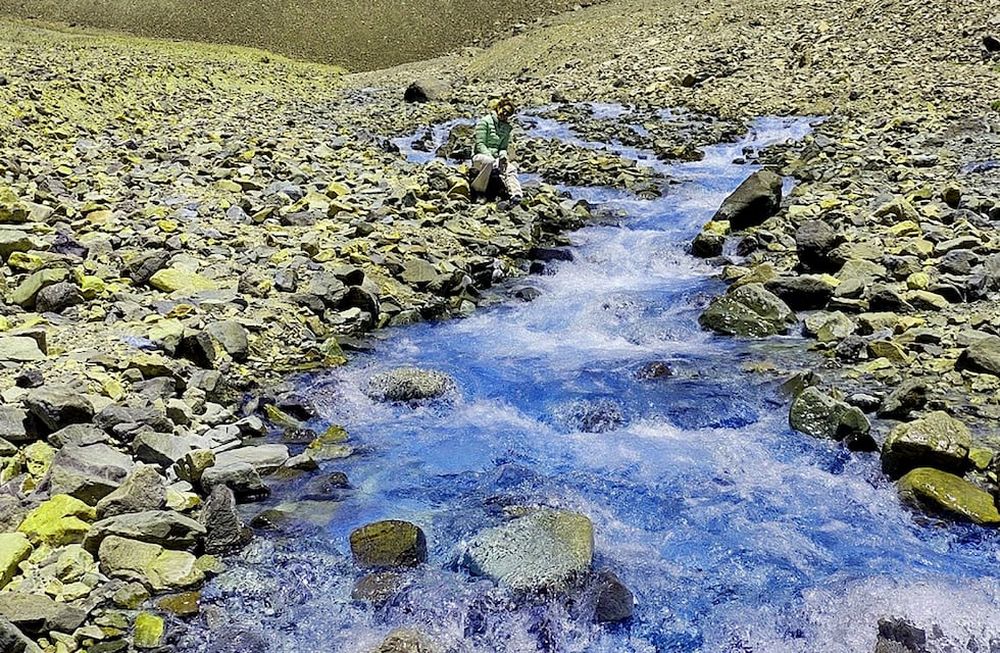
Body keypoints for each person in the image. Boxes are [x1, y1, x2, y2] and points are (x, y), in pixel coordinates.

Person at [471, 98, 523, 202]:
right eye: (504, 110)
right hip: (480, 157)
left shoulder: (507, 128)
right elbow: (480, 144)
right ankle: (478, 191)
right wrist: (492, 158)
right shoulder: (484, 122)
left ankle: (516, 195)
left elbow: (502, 147)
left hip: (495, 158)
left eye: (508, 113)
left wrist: (503, 156)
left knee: (511, 168)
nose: (505, 114)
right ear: (499, 107)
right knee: (489, 162)